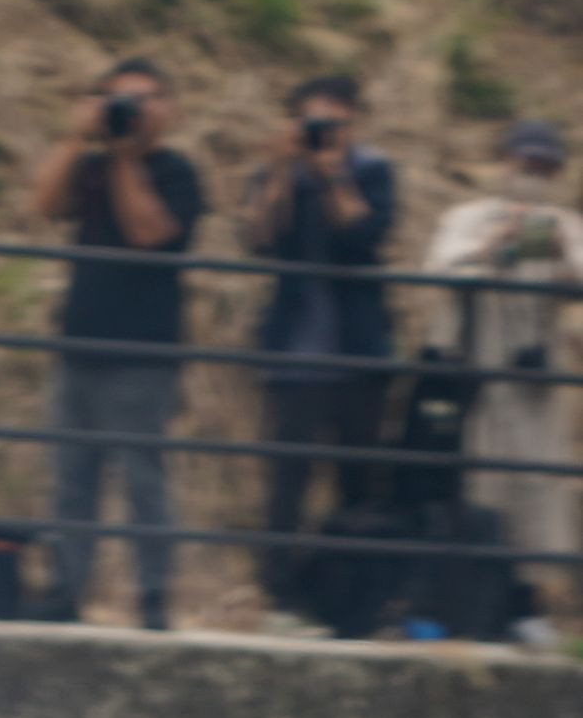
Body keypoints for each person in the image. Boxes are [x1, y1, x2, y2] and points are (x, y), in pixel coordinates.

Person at [31, 57, 206, 627]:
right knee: (72, 477)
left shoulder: (177, 171)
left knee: (142, 478)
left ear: (168, 109)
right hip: (80, 340)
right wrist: (76, 137)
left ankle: (153, 596)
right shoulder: (89, 165)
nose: (132, 109)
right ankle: (66, 588)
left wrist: (126, 158)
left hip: (144, 350)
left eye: (144, 98)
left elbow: (147, 233)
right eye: (119, 98)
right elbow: (45, 204)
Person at [244, 73, 398, 632]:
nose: (323, 130)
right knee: (286, 484)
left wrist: (333, 175)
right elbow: (258, 237)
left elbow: (364, 235)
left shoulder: (372, 171)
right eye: (313, 120)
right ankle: (281, 600)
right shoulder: (277, 173)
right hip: (294, 352)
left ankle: (356, 602)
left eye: (335, 120)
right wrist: (282, 170)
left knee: (359, 483)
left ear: (354, 122)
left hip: (358, 349)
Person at [423, 122, 583, 624]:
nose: (532, 175)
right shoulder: (468, 218)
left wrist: (562, 254)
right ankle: (474, 603)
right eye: (525, 164)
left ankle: (526, 604)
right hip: (477, 373)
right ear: (505, 162)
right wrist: (491, 245)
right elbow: (438, 268)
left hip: (536, 382)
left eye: (544, 168)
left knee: (536, 487)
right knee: (478, 482)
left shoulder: (566, 225)